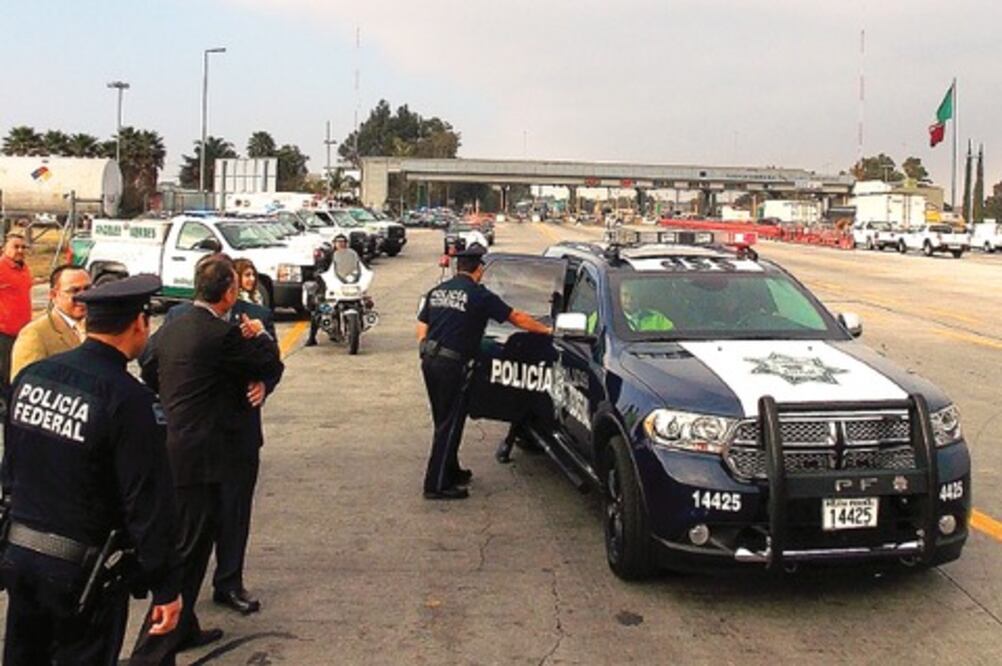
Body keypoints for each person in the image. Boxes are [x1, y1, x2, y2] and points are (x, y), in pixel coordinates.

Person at [0, 274, 183, 664]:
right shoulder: (130, 400)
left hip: (21, 557)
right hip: (81, 576)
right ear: (139, 324)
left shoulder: (35, 376)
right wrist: (166, 587)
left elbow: (11, 467)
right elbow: (147, 502)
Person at [131, 255, 283, 661]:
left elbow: (149, 371)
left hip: (181, 451)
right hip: (214, 457)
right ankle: (153, 649)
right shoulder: (224, 334)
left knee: (192, 546)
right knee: (188, 552)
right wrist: (258, 336)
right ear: (230, 292)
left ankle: (185, 626)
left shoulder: (171, 328)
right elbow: (270, 363)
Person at [416, 243, 551, 500]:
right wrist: (547, 331)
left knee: (444, 419)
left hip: (431, 362)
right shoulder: (479, 295)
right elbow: (517, 318)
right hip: (452, 366)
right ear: (478, 270)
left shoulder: (437, 291)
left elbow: (422, 325)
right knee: (449, 423)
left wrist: (425, 349)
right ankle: (436, 485)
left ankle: (451, 470)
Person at [10, 264, 92, 378]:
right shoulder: (35, 334)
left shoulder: (100, 327)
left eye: (87, 289)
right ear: (53, 295)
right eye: (74, 290)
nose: (83, 296)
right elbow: (24, 385)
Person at [306, 233, 362, 347]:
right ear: (334, 244)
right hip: (330, 286)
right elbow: (320, 267)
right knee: (319, 307)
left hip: (347, 285)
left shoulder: (352, 255)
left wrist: (364, 274)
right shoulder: (328, 255)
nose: (341, 244)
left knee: (361, 303)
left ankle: (356, 326)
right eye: (339, 242)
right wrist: (320, 272)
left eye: (344, 242)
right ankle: (312, 337)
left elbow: (360, 266)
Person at [0, 232, 32, 401]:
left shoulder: (24, 268)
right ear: (5, 248)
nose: (20, 250)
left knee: (18, 370)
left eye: (22, 247)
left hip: (22, 332)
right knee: (4, 372)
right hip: (4, 333)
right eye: (15, 246)